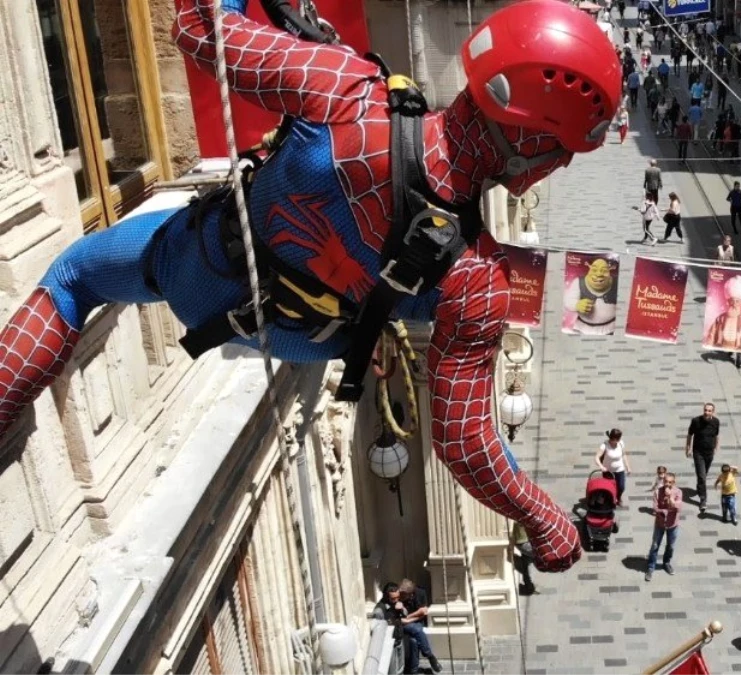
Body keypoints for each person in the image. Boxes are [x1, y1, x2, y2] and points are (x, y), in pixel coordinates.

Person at [0, 0, 621, 573]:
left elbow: (194, 28)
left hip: (207, 266)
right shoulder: (479, 280)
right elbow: (463, 442)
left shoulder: (343, 86)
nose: (559, 165)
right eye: (560, 149)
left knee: (75, 278)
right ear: (528, 138)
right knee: (427, 379)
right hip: (295, 334)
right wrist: (539, 514)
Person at [381, 579, 442, 675]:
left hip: (415, 622)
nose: (400, 597)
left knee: (414, 640)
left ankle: (413, 671)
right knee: (417, 630)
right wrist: (407, 618)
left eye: (402, 595)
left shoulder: (420, 593)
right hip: (402, 624)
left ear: (410, 594)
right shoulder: (395, 598)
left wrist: (408, 618)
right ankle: (430, 656)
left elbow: (423, 612)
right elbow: (399, 619)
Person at [645, 472, 682, 581]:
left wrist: (670, 496)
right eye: (665, 481)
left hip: (672, 524)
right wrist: (665, 511)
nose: (667, 484)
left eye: (670, 482)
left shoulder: (678, 492)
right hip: (660, 524)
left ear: (673, 482)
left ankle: (666, 562)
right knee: (655, 545)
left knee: (671, 546)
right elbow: (655, 508)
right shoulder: (657, 492)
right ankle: (651, 566)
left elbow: (678, 508)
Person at [685, 403, 720, 513]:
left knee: (704, 474)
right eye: (705, 410)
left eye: (709, 411)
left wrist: (716, 448)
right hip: (698, 452)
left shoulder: (716, 422)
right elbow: (690, 434)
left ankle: (700, 487)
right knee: (702, 476)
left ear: (712, 412)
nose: (706, 412)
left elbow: (716, 435)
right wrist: (688, 448)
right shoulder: (696, 421)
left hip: (709, 453)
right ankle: (703, 500)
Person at [595, 428, 632, 505]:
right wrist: (601, 467)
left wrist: (628, 467)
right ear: (613, 438)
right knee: (607, 487)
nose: (619, 440)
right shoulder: (604, 445)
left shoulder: (621, 443)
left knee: (621, 487)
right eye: (618, 439)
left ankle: (618, 497)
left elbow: (624, 455)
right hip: (608, 470)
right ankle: (610, 498)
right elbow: (596, 457)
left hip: (620, 469)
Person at [511, 522, 536, 595]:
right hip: (523, 542)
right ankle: (528, 587)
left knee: (525, 565)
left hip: (525, 540)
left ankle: (528, 587)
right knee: (535, 556)